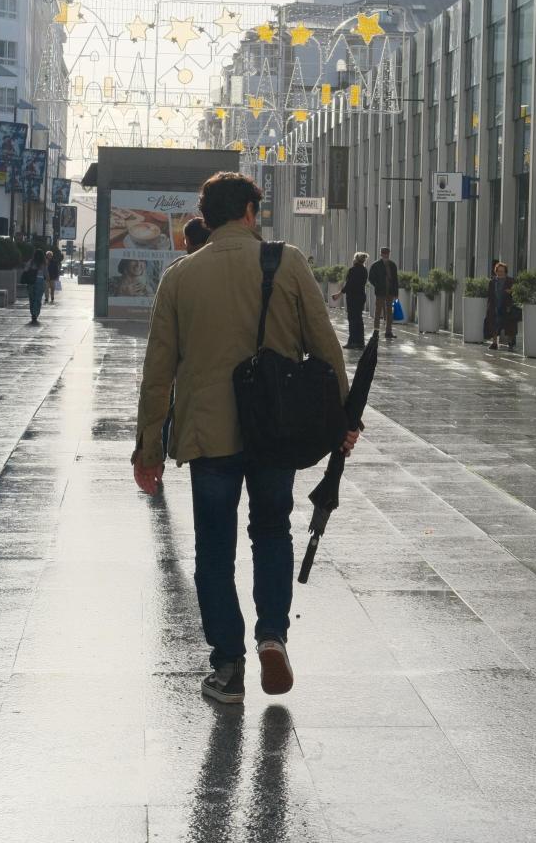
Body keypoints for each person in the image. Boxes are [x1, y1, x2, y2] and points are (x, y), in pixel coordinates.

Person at [133, 172, 357, 704]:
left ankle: (228, 667)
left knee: (214, 551)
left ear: (207, 219)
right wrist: (343, 422)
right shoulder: (287, 263)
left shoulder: (180, 278)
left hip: (207, 433)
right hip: (275, 430)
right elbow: (325, 351)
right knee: (272, 531)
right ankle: (272, 636)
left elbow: (157, 372)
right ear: (252, 212)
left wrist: (147, 449)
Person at [483, 261, 519, 350]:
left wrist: (511, 292)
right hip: (495, 306)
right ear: (496, 271)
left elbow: (516, 293)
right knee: (494, 324)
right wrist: (489, 307)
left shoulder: (511, 281)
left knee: (509, 326)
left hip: (507, 306)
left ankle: (510, 343)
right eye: (498, 271)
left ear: (505, 271)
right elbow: (489, 294)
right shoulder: (492, 281)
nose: (500, 273)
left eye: (502, 271)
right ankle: (494, 343)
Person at [338, 252, 369, 349]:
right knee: (359, 319)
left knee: (352, 320)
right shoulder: (364, 270)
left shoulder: (352, 270)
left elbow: (349, 284)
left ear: (356, 259)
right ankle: (360, 342)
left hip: (353, 297)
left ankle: (352, 342)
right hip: (361, 297)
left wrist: (339, 293)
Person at [368, 246, 399, 340]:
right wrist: (377, 285)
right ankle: (376, 331)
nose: (386, 255)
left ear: (389, 254)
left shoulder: (392, 265)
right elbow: (371, 278)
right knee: (378, 312)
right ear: (381, 254)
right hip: (380, 292)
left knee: (389, 312)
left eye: (387, 253)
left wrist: (396, 293)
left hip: (390, 292)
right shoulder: (376, 265)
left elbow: (395, 280)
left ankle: (388, 332)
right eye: (384, 253)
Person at [22, 249, 47, 323]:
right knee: (38, 298)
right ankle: (35, 313)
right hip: (40, 281)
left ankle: (33, 312)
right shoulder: (44, 262)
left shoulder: (31, 261)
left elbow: (25, 270)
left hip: (31, 281)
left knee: (32, 298)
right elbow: (46, 273)